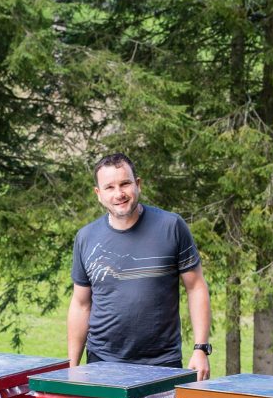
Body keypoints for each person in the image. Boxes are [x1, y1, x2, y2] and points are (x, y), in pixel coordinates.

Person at [67, 153, 211, 379]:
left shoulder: (171, 226)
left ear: (138, 184)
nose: (119, 194)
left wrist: (201, 349)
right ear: (99, 194)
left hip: (162, 363)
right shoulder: (86, 237)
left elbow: (196, 287)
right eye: (110, 187)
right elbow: (81, 304)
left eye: (125, 183)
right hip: (101, 363)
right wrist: (73, 366)